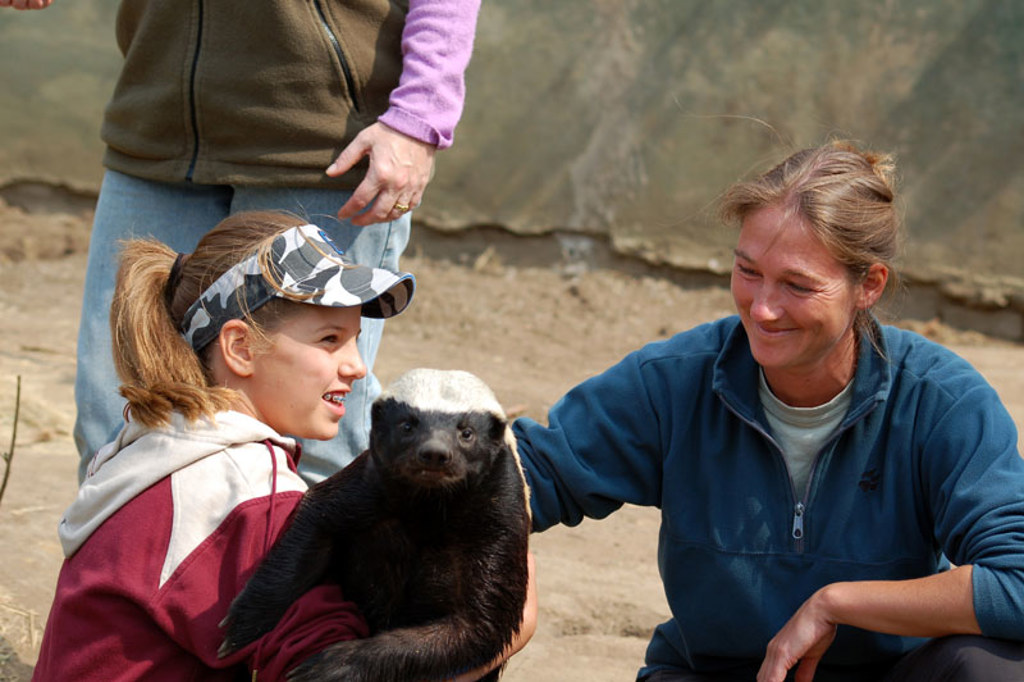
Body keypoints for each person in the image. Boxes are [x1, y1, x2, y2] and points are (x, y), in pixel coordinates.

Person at [513, 141, 1024, 682]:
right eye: (748, 271)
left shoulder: (939, 402)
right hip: (714, 674)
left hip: (894, 672)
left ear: (868, 285)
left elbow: (1017, 579)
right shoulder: (675, 382)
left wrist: (835, 604)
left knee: (996, 669)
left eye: (797, 285)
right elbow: (524, 478)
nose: (762, 309)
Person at [31, 211, 534, 681]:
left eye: (356, 340)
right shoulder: (246, 493)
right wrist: (502, 629)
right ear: (241, 348)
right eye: (330, 339)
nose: (358, 367)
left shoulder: (158, 443)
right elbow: (316, 665)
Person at [2, 0, 482, 484]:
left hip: (323, 145)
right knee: (118, 421)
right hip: (156, 123)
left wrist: (420, 112)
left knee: (316, 444)